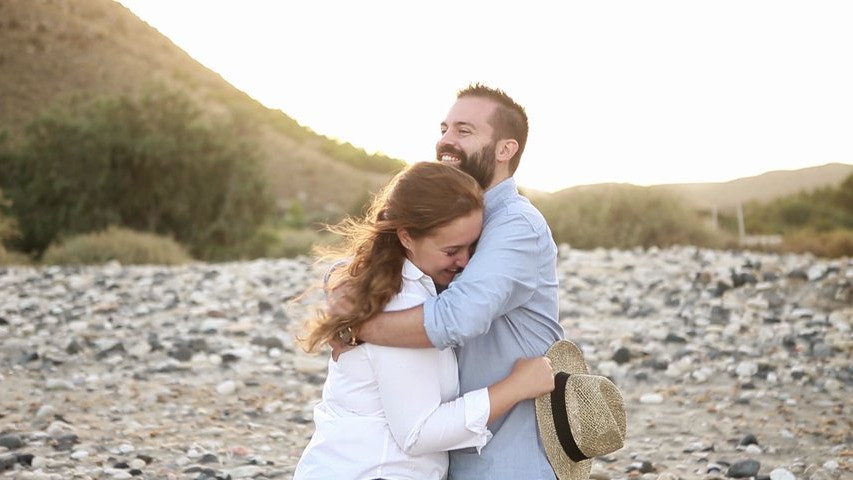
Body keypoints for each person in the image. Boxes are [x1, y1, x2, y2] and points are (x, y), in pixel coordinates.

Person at [333, 84, 565, 479]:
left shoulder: (515, 225)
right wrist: (338, 288)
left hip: (510, 456)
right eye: (444, 128)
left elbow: (457, 318)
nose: (446, 141)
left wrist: (358, 325)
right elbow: (377, 251)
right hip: (451, 452)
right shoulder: (452, 216)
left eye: (464, 131)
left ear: (505, 149)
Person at [293, 161, 555, 480]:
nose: (466, 261)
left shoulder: (394, 281)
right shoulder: (400, 302)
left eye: (473, 247)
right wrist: (515, 388)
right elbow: (418, 433)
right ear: (406, 237)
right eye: (452, 250)